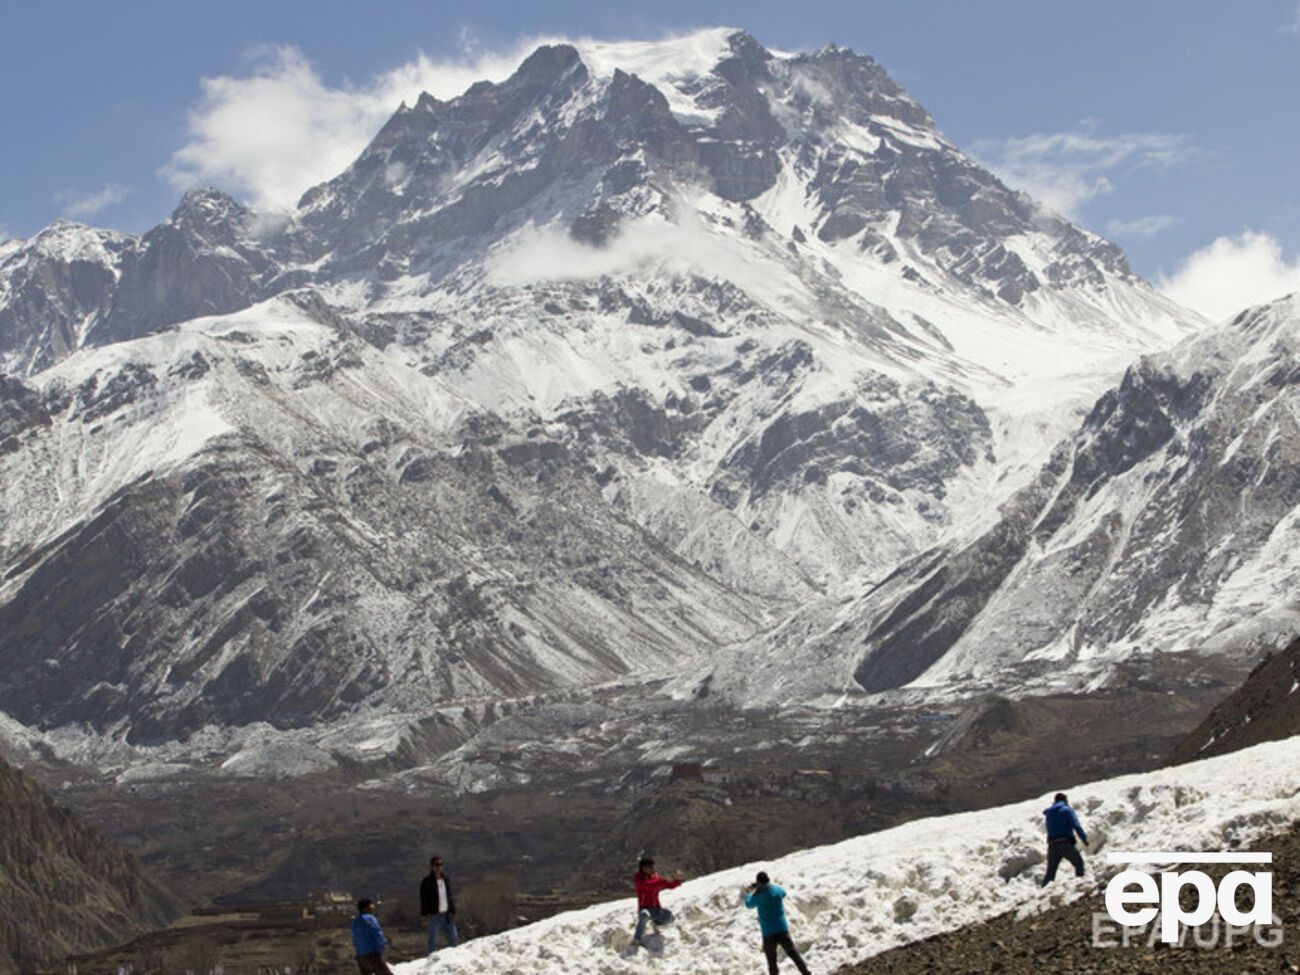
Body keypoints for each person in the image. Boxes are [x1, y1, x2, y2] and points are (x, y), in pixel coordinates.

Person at [743, 871, 811, 975]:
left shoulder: (760, 896)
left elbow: (749, 904)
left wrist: (749, 893)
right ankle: (806, 972)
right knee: (793, 953)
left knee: (772, 961)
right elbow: (783, 893)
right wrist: (767, 886)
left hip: (769, 932)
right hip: (782, 929)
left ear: (759, 882)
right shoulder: (776, 890)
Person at [632, 856, 683, 946]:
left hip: (656, 908)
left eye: (652, 866)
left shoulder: (655, 877)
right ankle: (637, 939)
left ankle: (655, 923)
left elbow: (668, 885)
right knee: (644, 915)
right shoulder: (639, 879)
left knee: (670, 918)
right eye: (650, 867)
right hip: (644, 908)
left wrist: (677, 881)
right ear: (643, 868)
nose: (653, 869)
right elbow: (648, 885)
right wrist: (664, 880)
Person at [1041, 792, 1089, 886]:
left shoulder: (1049, 813)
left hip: (1052, 845)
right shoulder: (1066, 810)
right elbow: (1076, 826)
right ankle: (1080, 887)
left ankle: (1041, 893)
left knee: (1050, 872)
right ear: (1065, 800)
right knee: (1079, 863)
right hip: (1065, 843)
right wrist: (1084, 839)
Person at [419, 855, 459, 953]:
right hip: (434, 914)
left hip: (447, 914)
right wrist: (424, 914)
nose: (439, 867)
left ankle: (454, 957)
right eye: (436, 865)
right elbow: (424, 899)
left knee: (453, 938)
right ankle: (431, 959)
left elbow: (449, 896)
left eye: (440, 865)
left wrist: (453, 910)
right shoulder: (427, 882)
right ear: (432, 867)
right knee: (433, 940)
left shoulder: (445, 880)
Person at [350, 899, 394, 975]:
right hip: (372, 954)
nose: (373, 907)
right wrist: (384, 943)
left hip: (360, 956)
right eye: (371, 905)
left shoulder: (355, 921)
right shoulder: (370, 918)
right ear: (365, 908)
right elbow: (376, 932)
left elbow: (354, 937)